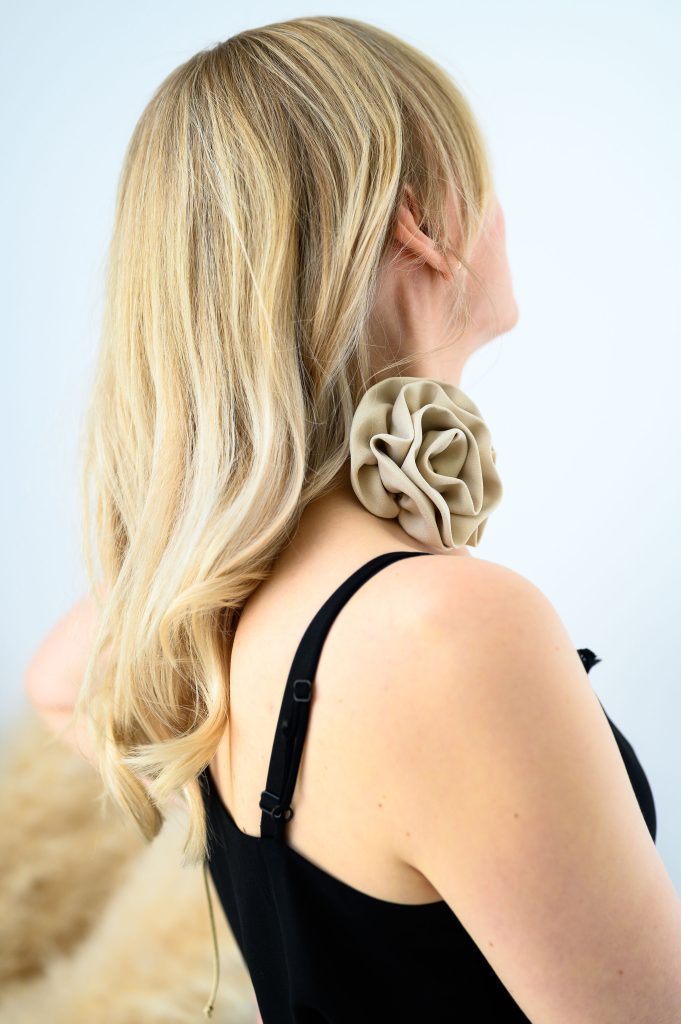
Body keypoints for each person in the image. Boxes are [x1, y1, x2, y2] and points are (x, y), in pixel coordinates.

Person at [24, 15, 681, 1023]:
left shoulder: (218, 609)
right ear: (422, 220)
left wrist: (205, 483)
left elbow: (58, 680)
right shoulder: (444, 630)